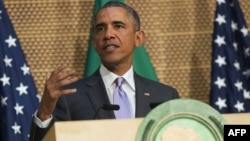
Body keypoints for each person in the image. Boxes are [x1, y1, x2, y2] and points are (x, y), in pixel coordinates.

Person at [29, 1, 179, 141]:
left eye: (118, 26)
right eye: (100, 28)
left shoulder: (166, 96)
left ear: (138, 38)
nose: (108, 35)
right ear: (95, 43)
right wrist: (44, 111)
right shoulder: (69, 97)